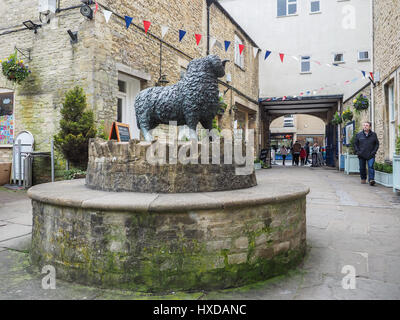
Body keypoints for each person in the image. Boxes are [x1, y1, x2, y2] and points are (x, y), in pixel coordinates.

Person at [354, 121, 380, 186]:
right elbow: (355, 144)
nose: (365, 126)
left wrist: (374, 152)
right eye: (364, 125)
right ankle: (363, 178)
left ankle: (371, 180)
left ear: (370, 127)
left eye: (367, 125)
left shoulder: (374, 134)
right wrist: (358, 152)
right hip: (361, 154)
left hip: (371, 154)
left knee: (371, 166)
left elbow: (377, 144)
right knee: (362, 168)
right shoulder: (359, 135)